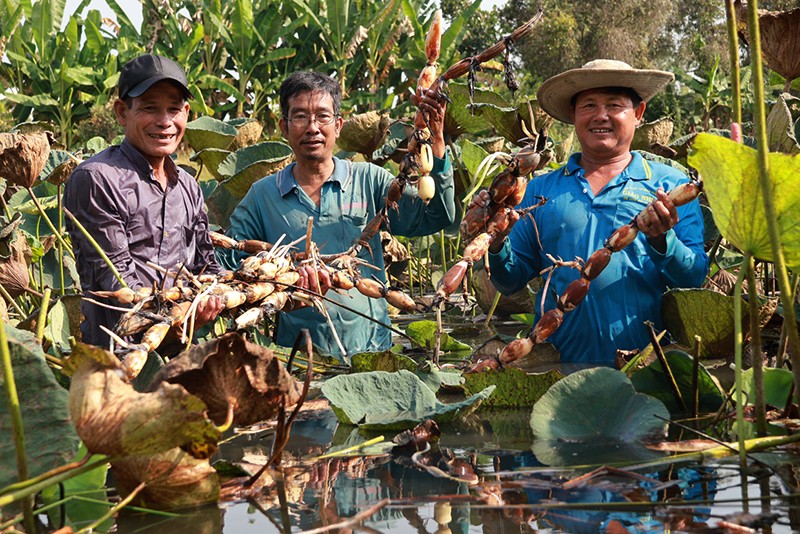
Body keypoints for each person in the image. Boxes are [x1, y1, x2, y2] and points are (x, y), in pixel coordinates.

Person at [218, 71, 456, 359]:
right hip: (299, 360)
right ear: (284, 126)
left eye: (322, 116)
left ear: (339, 125)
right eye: (300, 117)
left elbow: (435, 216)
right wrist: (281, 275)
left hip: (372, 354)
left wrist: (438, 141)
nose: (312, 128)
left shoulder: (370, 180)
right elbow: (228, 263)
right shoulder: (263, 196)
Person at [486, 59, 709, 366]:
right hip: (556, 366)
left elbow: (695, 277)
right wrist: (497, 243)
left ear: (638, 114)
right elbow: (509, 281)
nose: (600, 115)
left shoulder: (671, 188)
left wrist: (663, 241)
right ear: (573, 116)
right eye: (588, 105)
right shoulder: (538, 191)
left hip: (645, 368)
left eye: (614, 105)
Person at [64, 53, 224, 348]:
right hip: (116, 355)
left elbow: (207, 265)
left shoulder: (188, 186)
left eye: (174, 109)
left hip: (179, 351)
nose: (165, 122)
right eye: (150, 108)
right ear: (122, 112)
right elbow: (120, 285)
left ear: (186, 113)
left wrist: (225, 291)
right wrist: (185, 314)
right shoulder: (97, 179)